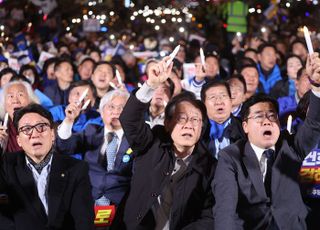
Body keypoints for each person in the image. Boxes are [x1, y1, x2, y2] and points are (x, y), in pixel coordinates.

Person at [212, 53, 320, 230]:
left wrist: (316, 86)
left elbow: (315, 123)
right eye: (259, 116)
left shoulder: (291, 146)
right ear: (245, 126)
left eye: (272, 116)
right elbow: (225, 209)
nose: (266, 121)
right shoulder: (230, 156)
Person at [119, 56, 216, 229]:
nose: (189, 125)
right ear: (168, 123)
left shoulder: (209, 166)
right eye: (181, 118)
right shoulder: (152, 144)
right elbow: (129, 119)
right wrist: (150, 85)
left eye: (195, 120)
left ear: (202, 127)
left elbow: (209, 215)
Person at [0, 103, 94, 230]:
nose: (34, 134)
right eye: (26, 129)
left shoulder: (76, 168)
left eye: (41, 127)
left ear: (52, 134)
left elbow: (83, 220)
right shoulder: (6, 165)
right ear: (19, 141)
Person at [55, 89, 134, 210]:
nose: (116, 112)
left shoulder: (135, 140)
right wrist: (69, 120)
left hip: (122, 205)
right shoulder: (91, 131)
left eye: (121, 108)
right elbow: (64, 147)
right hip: (88, 201)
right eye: (111, 107)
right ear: (101, 113)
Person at [201, 79, 245, 159]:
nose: (219, 102)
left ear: (231, 101)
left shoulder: (245, 127)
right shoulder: (197, 129)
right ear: (203, 105)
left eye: (223, 96)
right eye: (212, 97)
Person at [0, 80, 40, 153]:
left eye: (20, 95)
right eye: (11, 96)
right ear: (4, 104)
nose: (15, 100)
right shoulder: (1, 127)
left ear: (30, 100)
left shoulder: (41, 124)